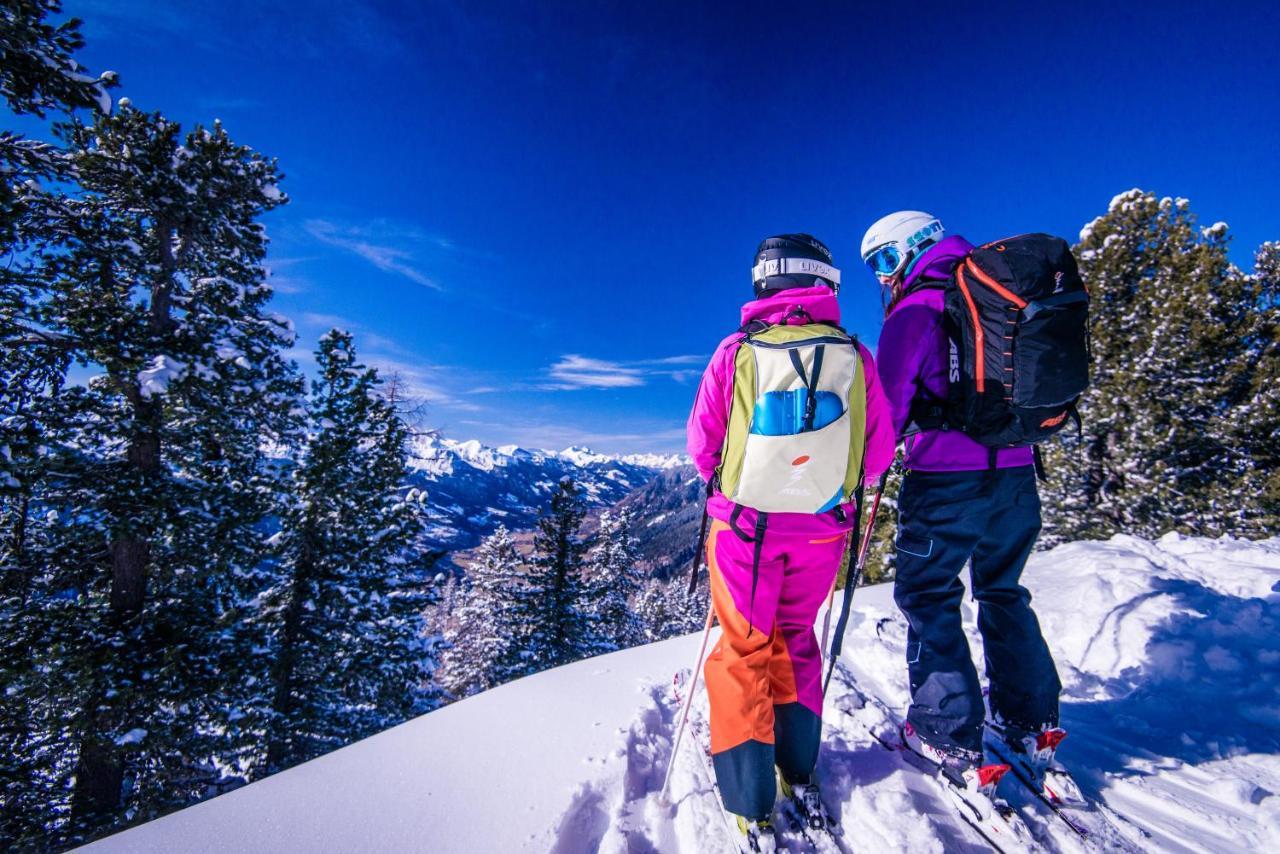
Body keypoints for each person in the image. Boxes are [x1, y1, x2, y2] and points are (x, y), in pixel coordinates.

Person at [687, 233, 894, 850]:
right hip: (824, 529)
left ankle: (749, 798)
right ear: (825, 282)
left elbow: (703, 450)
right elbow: (877, 454)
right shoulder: (856, 357)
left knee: (743, 647)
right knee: (796, 638)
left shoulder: (736, 352)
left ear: (763, 282)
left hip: (746, 533)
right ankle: (797, 767)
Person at [861, 210, 1065, 799]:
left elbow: (888, 408)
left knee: (928, 596)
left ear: (909, 249)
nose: (881, 278)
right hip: (1018, 474)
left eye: (882, 260)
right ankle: (1031, 717)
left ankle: (945, 730)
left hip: (947, 479)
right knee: (1003, 590)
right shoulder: (1008, 294)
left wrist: (870, 470)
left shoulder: (917, 308)